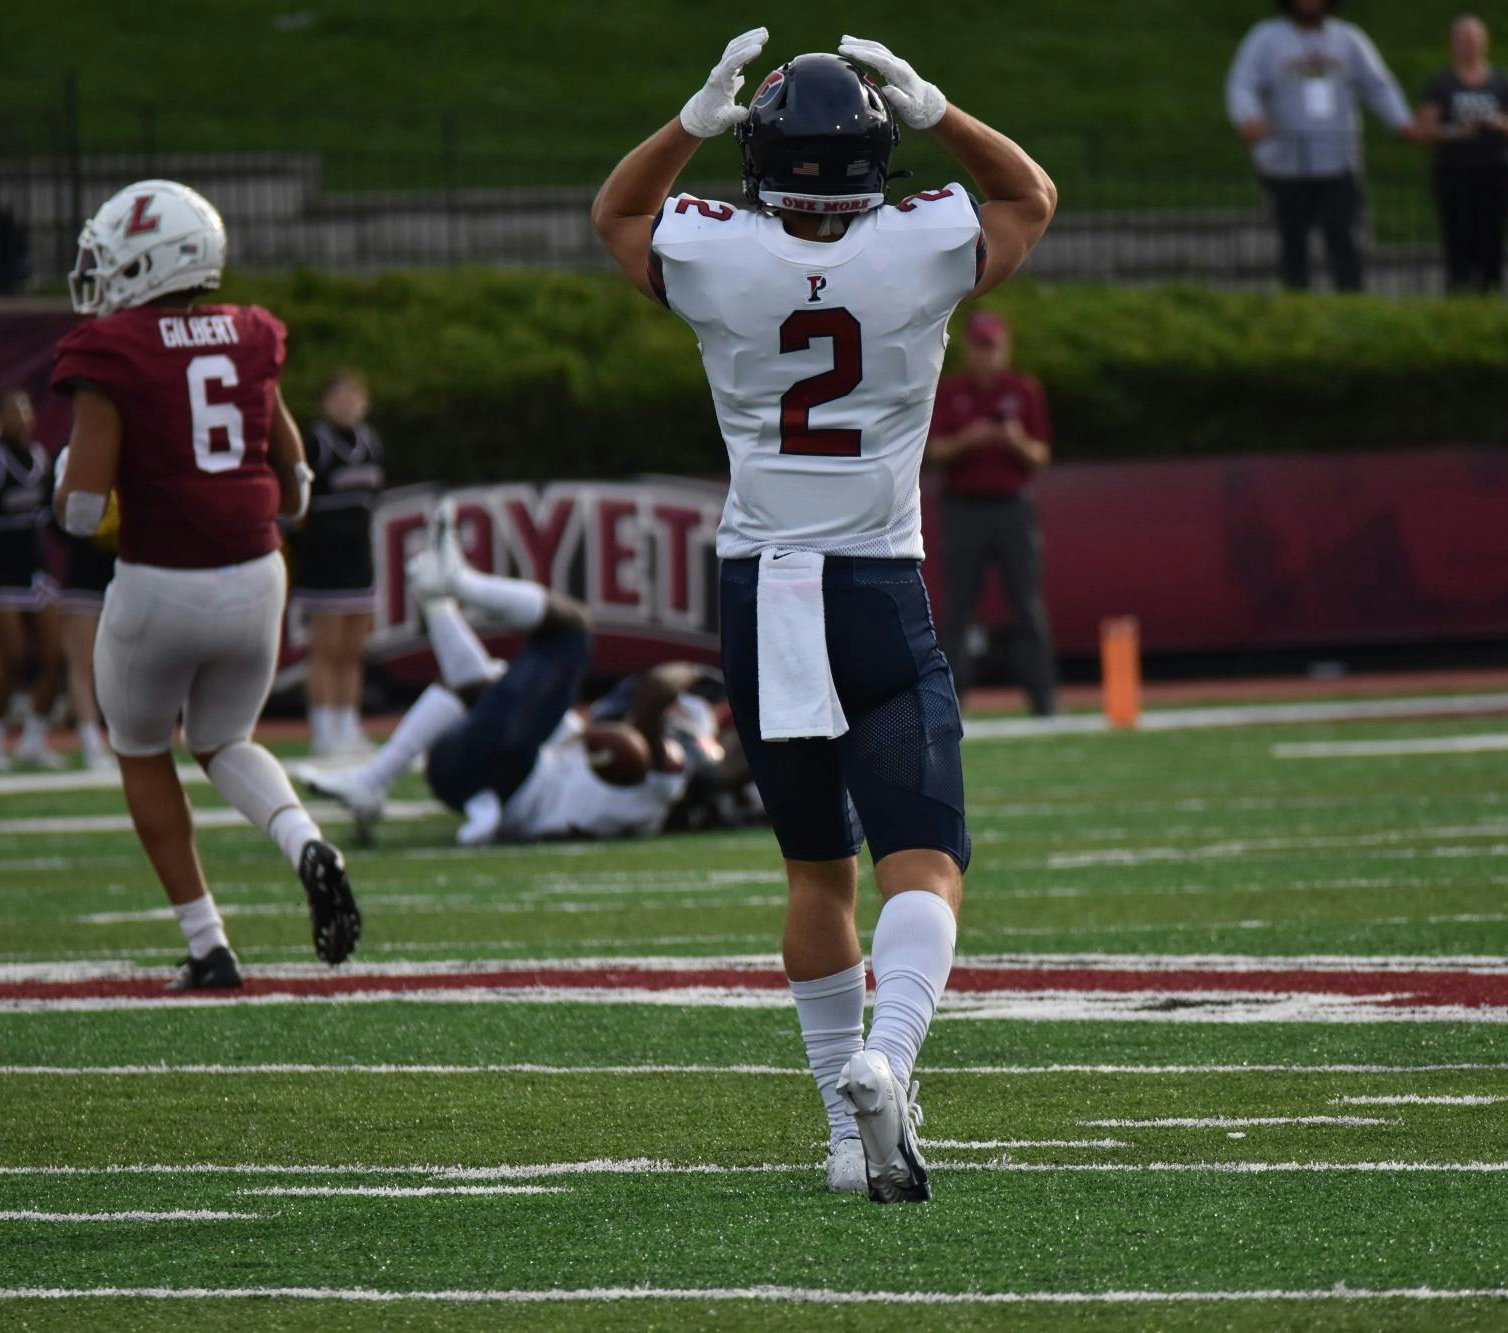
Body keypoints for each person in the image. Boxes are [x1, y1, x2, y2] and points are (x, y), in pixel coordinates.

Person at [592, 30, 1055, 1202]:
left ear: (758, 158)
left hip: (762, 592)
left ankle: (845, 1141)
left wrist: (686, 124)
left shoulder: (716, 253)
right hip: (874, 587)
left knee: (815, 876)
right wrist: (939, 105)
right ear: (870, 156)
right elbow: (1028, 193)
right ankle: (885, 1058)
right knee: (926, 863)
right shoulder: (921, 243)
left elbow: (616, 215)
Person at [51, 178, 359, 992]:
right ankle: (307, 844)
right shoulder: (250, 333)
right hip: (257, 576)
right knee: (225, 738)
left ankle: (208, 943)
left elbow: (80, 513)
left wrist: (69, 475)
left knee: (143, 746)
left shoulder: (111, 349)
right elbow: (296, 478)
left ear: (149, 260)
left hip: (159, 584)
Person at [302, 505, 720, 846]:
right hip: (477, 774)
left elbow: (658, 689)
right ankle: (436, 600)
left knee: (570, 630)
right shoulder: (639, 798)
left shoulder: (662, 777)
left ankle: (452, 586)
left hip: (498, 770)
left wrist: (700, 673)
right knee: (485, 682)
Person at [1226, 0, 1416, 292]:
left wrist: (1402, 122)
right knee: (1293, 242)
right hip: (1286, 162)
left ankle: (1351, 305)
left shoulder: (1348, 38)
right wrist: (1249, 117)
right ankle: (1296, 307)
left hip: (1338, 161)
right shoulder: (1266, 38)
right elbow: (1241, 83)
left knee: (1343, 237)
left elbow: (1378, 85)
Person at [925, 310, 1056, 715]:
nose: (987, 355)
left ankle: (1043, 701)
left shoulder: (1023, 390)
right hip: (965, 509)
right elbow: (934, 452)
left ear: (1005, 348)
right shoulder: (951, 392)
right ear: (969, 349)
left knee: (1027, 603)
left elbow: (1039, 455)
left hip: (1012, 508)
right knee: (958, 608)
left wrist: (1013, 440)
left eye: (993, 347)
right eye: (980, 347)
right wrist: (970, 439)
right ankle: (952, 701)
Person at [0, 388, 65, 771]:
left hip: (36, 573)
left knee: (57, 658)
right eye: (13, 409)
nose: (23, 415)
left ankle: (34, 740)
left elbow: (53, 521)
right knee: (14, 660)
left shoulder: (41, 460)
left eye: (26, 406)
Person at [290, 369, 386, 759]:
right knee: (326, 649)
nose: (348, 404)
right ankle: (323, 729)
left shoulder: (370, 441)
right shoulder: (316, 442)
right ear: (326, 402)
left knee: (354, 649)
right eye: (340, 397)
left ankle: (349, 727)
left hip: (359, 561)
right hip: (323, 563)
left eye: (355, 397)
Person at [1416, 14, 1508, 294]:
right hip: (1455, 170)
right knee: (1458, 234)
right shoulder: (1441, 83)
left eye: (1473, 39)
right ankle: (1459, 290)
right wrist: (1456, 132)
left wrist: (1501, 123)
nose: (1468, 45)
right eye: (1462, 40)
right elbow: (1425, 130)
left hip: (1495, 169)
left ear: (1485, 43)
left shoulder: (1503, 82)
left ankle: (1492, 290)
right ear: (1453, 45)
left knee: (1492, 234)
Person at [51, 461, 119, 771]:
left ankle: (134, 739)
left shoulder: (136, 448)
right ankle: (91, 741)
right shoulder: (67, 457)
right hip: (84, 576)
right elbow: (56, 520)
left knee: (131, 662)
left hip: (129, 571)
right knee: (82, 662)